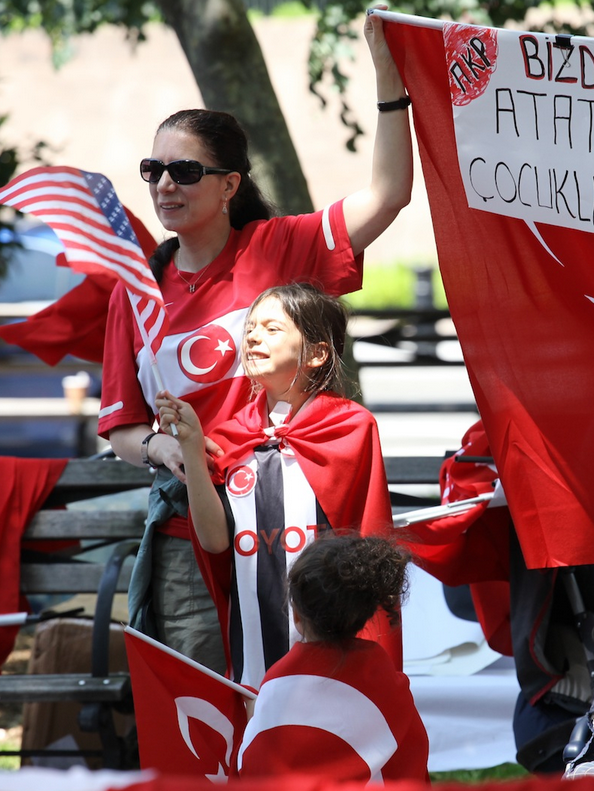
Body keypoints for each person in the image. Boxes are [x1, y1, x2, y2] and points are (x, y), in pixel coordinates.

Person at [97, 10, 412, 672]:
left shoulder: (276, 247)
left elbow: (388, 195)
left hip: (285, 514)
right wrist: (163, 446)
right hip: (193, 528)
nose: (163, 185)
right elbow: (122, 425)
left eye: (183, 170)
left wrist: (390, 81)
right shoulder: (136, 285)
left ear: (229, 184)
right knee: (210, 696)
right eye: (152, 168)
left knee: (297, 682)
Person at [156, 283, 397, 690]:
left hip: (334, 645)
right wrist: (193, 447)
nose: (252, 337)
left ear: (317, 353)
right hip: (251, 644)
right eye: (250, 328)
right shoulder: (232, 436)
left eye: (271, 329)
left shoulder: (350, 428)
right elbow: (215, 541)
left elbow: (368, 536)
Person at [235, 532, 429, 781]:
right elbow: (410, 766)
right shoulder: (389, 685)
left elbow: (254, 769)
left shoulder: (277, 686)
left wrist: (253, 716)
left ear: (296, 616)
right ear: (364, 614)